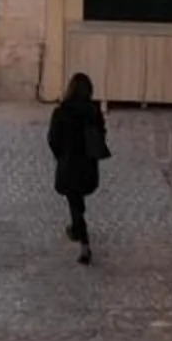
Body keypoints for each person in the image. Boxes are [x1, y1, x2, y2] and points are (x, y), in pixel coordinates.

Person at [47, 72, 109, 265]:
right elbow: (101, 135)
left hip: (68, 164)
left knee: (74, 199)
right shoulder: (94, 112)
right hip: (88, 167)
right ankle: (77, 230)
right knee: (76, 199)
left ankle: (83, 240)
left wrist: (60, 155)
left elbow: (53, 139)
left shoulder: (61, 112)